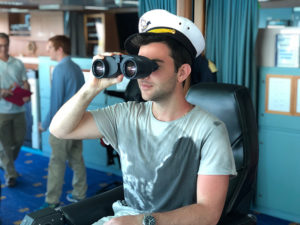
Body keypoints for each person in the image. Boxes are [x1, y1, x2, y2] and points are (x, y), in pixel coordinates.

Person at [49, 9, 237, 225]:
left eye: (153, 66)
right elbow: (60, 129)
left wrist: (142, 221)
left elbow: (208, 214)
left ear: (182, 73)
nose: (142, 75)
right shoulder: (126, 115)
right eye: (137, 64)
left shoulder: (209, 130)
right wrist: (91, 87)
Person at [39, 35, 87, 209]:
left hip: (62, 126)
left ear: (60, 49)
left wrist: (44, 124)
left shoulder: (60, 69)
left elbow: (56, 102)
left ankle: (51, 201)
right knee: (76, 159)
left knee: (56, 163)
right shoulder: (75, 68)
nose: (47, 50)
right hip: (77, 123)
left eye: (50, 47)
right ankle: (79, 194)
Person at [0, 32, 30, 187]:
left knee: (18, 142)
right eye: (0, 46)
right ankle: (10, 174)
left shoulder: (18, 63)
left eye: (5, 45)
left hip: (18, 110)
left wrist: (27, 90)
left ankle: (5, 162)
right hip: (1, 112)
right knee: (4, 145)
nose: (3, 49)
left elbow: (25, 83)